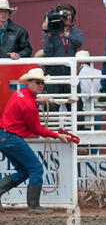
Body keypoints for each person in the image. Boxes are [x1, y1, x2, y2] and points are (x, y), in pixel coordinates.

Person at [0, 68, 70, 214]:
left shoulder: (20, 94)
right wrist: (57, 135)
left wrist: (37, 101)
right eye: (38, 82)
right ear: (30, 82)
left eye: (42, 83)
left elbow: (27, 106)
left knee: (25, 170)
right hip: (12, 138)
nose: (41, 85)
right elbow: (37, 129)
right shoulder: (29, 104)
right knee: (36, 168)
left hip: (4, 136)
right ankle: (33, 206)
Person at [42, 3, 84, 113]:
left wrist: (67, 36)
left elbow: (79, 43)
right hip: (53, 71)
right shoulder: (52, 31)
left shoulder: (76, 32)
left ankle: (78, 129)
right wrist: (48, 35)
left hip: (70, 70)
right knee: (51, 106)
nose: (67, 17)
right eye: (64, 15)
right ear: (58, 16)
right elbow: (48, 51)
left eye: (69, 15)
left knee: (76, 105)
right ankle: (50, 130)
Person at [76, 50, 106, 154]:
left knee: (84, 141)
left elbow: (83, 95)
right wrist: (101, 94)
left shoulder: (78, 75)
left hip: (83, 112)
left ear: (78, 63)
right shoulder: (97, 72)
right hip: (97, 111)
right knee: (95, 142)